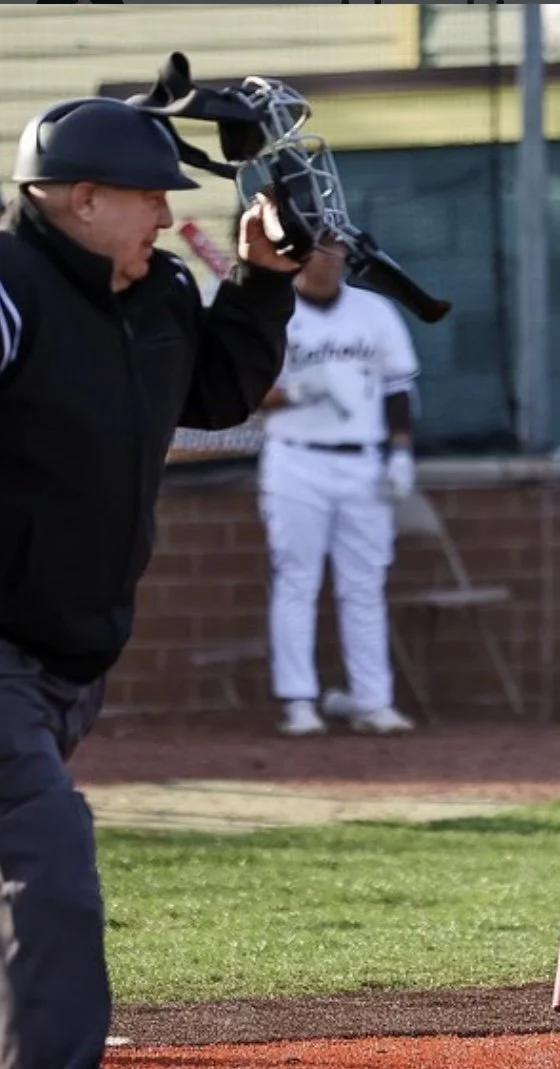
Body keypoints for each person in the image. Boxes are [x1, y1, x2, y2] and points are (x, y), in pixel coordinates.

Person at [0, 98, 298, 1068]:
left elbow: (215, 392)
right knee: (53, 871)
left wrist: (258, 282)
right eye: (148, 197)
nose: (168, 218)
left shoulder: (159, 289)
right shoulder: (8, 285)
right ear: (78, 198)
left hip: (70, 653)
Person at [258, 233, 420, 737]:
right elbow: (248, 392)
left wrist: (399, 453)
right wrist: (297, 392)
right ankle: (299, 701)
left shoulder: (374, 312)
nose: (328, 259)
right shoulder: (274, 311)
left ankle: (372, 700)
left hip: (363, 461)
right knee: (297, 579)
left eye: (336, 249)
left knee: (365, 584)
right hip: (295, 460)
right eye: (318, 248)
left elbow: (398, 387)